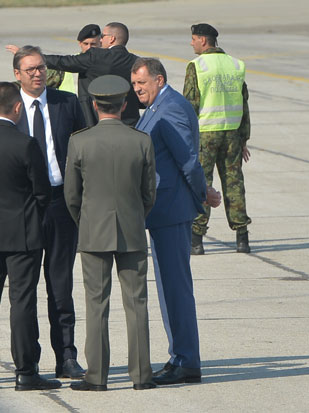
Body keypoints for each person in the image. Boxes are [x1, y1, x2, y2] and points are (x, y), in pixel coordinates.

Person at [0, 82, 61, 391]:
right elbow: (42, 191)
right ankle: (25, 371)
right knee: (22, 302)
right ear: (18, 108)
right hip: (23, 234)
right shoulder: (25, 144)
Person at [64, 75, 157, 392]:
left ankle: (97, 376)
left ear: (94, 104)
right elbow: (149, 193)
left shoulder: (80, 141)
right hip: (132, 230)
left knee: (96, 305)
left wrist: (86, 221)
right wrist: (135, 216)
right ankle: (142, 375)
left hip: (94, 231)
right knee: (137, 303)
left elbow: (72, 195)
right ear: (124, 103)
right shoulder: (141, 140)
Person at [10, 46, 87, 379]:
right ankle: (29, 360)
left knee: (60, 285)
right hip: (24, 206)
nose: (38, 73)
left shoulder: (65, 103)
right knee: (24, 289)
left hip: (59, 204)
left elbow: (86, 147)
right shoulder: (9, 107)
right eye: (30, 69)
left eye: (41, 67)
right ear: (17, 75)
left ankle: (66, 356)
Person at [132, 58, 209, 385]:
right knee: (168, 288)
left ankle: (186, 361)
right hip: (162, 210)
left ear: (159, 80)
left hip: (172, 209)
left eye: (142, 83)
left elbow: (188, 160)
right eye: (134, 84)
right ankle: (180, 356)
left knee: (175, 289)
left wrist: (203, 194)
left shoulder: (172, 107)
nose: (138, 90)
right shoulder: (155, 106)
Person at [186, 23, 253, 254]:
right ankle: (242, 238)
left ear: (203, 40)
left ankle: (196, 239)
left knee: (201, 183)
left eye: (194, 39)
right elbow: (244, 104)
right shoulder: (236, 65)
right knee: (234, 183)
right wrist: (243, 139)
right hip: (232, 133)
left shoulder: (197, 66)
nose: (191, 43)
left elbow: (190, 105)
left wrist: (186, 138)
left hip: (205, 135)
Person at [9, 22, 141, 127]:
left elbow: (64, 62)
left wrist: (31, 57)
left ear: (112, 39)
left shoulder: (95, 56)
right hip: (130, 123)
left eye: (103, 36)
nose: (100, 40)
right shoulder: (136, 61)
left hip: (95, 122)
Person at [45, 24, 101, 119]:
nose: (89, 48)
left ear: (100, 43)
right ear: (80, 43)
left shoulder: (104, 62)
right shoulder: (68, 62)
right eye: (86, 44)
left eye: (93, 44)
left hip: (94, 113)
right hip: (69, 112)